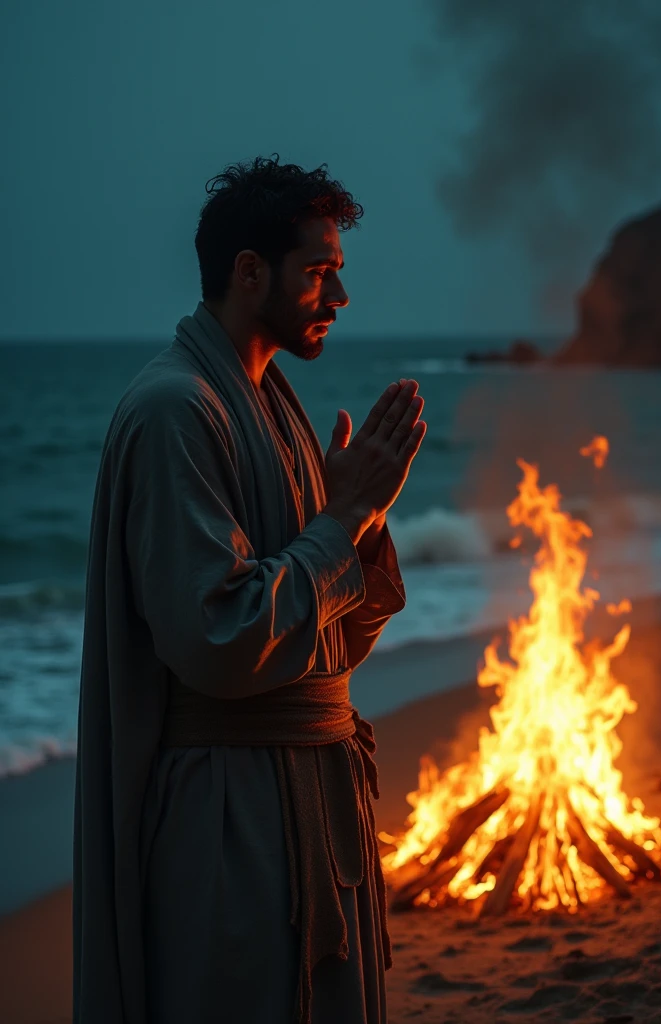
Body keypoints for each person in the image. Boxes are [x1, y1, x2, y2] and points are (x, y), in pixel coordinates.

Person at [72, 155, 426, 1024]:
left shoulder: (273, 408)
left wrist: (362, 523)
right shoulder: (174, 411)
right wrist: (340, 525)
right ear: (248, 271)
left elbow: (332, 640)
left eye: (338, 273)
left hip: (310, 799)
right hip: (230, 822)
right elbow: (220, 642)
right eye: (319, 272)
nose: (339, 298)